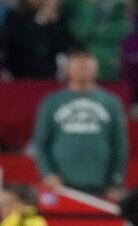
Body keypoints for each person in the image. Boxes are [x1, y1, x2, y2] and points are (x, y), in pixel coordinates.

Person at [33, 48, 128, 199]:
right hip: (60, 183)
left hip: (100, 184)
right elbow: (41, 142)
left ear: (96, 68)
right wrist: (48, 173)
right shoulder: (52, 102)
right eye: (78, 64)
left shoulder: (111, 103)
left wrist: (115, 182)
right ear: (68, 68)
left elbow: (120, 144)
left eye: (87, 64)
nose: (83, 68)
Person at [3, 0, 69, 80]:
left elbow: (61, 46)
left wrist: (53, 23)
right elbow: (23, 41)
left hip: (48, 73)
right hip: (20, 72)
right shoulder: (15, 15)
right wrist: (42, 19)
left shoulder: (55, 18)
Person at [65, 0, 129, 82]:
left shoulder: (118, 3)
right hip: (77, 55)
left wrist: (95, 33)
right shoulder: (73, 4)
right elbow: (81, 32)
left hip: (107, 63)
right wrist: (88, 5)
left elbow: (121, 29)